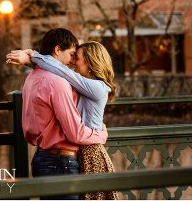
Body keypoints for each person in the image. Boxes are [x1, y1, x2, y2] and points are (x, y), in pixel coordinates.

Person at [8, 40, 118, 200]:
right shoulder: (82, 85)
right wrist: (33, 63)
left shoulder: (98, 88)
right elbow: (57, 73)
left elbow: (62, 72)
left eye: (77, 58)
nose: (73, 63)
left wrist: (33, 56)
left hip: (90, 152)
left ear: (91, 62)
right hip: (79, 150)